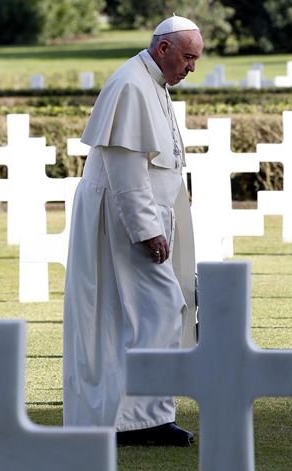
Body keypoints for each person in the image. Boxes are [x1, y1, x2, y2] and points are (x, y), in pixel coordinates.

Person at [62, 15, 202, 447]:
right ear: (163, 49)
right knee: (157, 310)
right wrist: (146, 230)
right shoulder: (129, 84)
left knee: (146, 315)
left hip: (147, 219)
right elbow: (126, 169)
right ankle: (136, 419)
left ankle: (146, 415)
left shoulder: (151, 82)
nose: (191, 68)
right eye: (187, 57)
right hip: (127, 224)